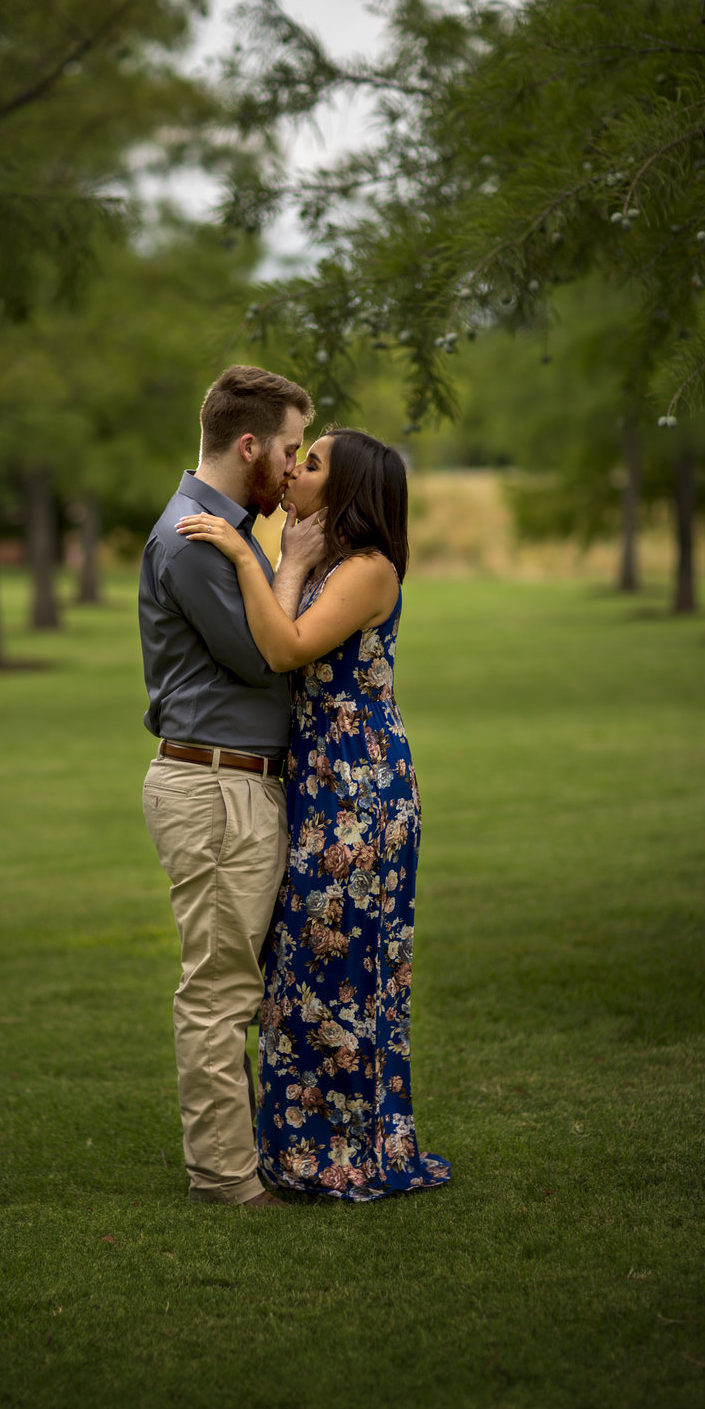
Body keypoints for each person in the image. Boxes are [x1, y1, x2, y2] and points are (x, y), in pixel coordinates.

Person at [176, 427, 451, 1200]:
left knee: (347, 969)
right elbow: (278, 635)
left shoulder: (368, 571)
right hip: (321, 780)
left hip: (361, 792)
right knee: (299, 970)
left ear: (349, 489)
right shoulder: (327, 564)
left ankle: (353, 1152)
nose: (293, 469)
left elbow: (285, 648)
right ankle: (303, 1148)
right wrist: (290, 560)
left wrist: (243, 555)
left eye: (313, 462)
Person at [139, 364, 324, 1210]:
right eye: (288, 450)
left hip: (235, 784)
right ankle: (224, 1179)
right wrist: (289, 564)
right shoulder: (195, 536)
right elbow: (267, 652)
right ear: (248, 444)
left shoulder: (221, 529)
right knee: (219, 992)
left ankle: (246, 1157)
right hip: (216, 788)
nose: (292, 470)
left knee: (235, 985)